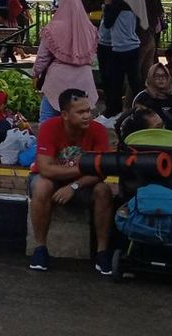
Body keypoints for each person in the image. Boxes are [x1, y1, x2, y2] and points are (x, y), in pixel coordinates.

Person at [27, 88, 113, 274]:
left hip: (82, 184)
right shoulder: (49, 127)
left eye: (88, 111)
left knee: (104, 190)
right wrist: (82, 169)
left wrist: (74, 186)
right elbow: (45, 168)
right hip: (51, 180)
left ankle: (102, 252)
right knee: (42, 185)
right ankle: (40, 248)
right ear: (65, 114)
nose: (87, 116)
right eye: (80, 112)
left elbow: (102, 171)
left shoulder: (98, 131)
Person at [33, 0, 99, 122]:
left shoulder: (52, 29)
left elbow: (42, 57)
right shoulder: (91, 29)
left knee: (47, 120)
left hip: (57, 80)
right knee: (81, 121)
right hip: (84, 79)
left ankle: (46, 143)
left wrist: (36, 74)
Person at [96, 0, 145, 123]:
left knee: (115, 81)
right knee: (134, 80)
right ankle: (142, 108)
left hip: (120, 47)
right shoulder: (133, 0)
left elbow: (109, 22)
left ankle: (113, 111)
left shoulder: (119, 1)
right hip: (132, 45)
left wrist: (108, 3)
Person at [131, 62, 172, 130]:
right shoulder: (142, 97)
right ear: (150, 77)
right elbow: (137, 123)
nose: (161, 78)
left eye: (164, 75)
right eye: (157, 76)